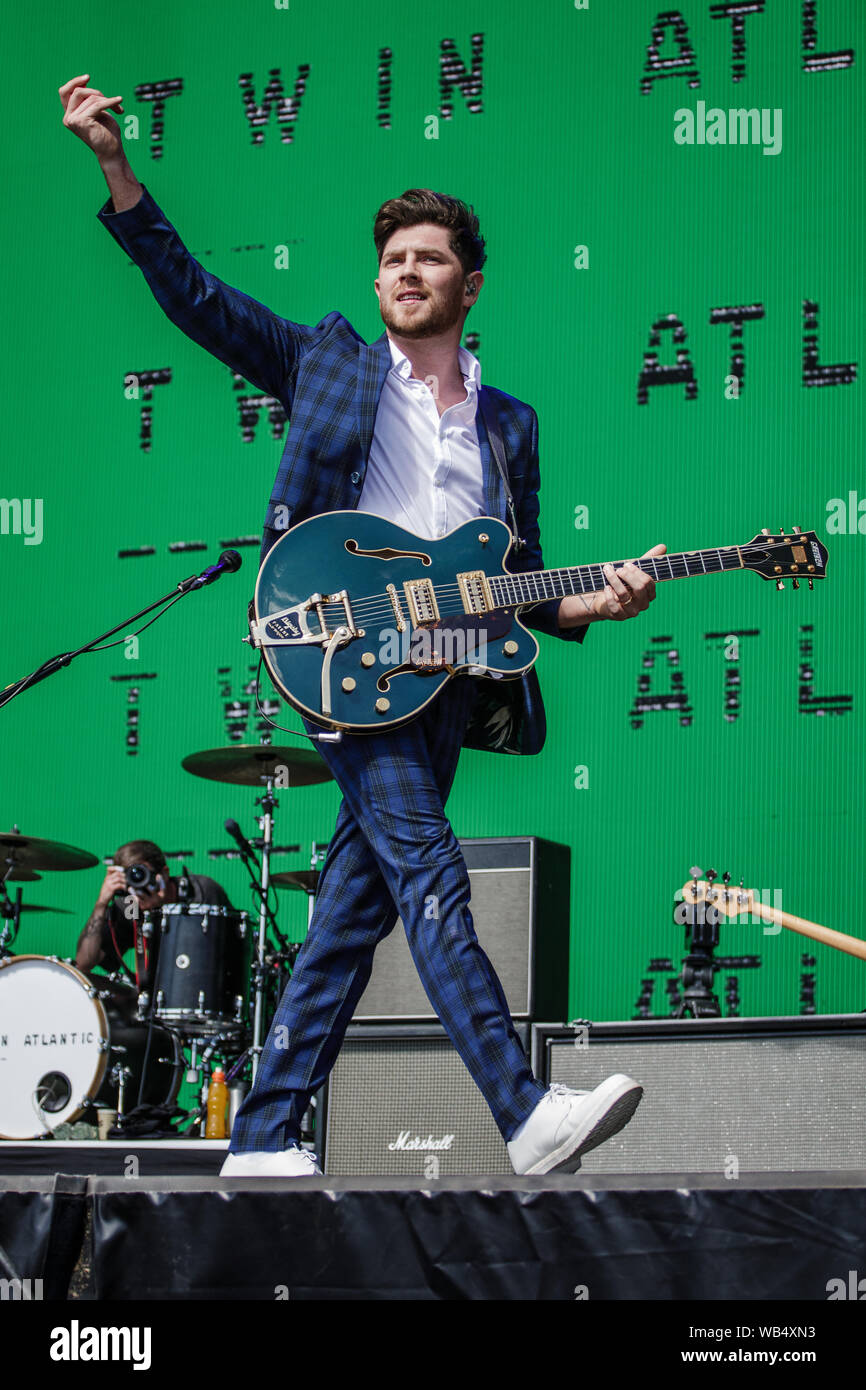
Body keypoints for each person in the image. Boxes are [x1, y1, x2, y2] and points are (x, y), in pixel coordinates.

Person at [61, 74, 665, 1178]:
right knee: (431, 872)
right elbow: (196, 298)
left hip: (442, 683)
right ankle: (522, 1108)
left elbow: (517, 579)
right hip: (345, 660)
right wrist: (116, 170)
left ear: (468, 286)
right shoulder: (327, 364)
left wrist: (599, 599)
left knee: (347, 921)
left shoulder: (508, 426)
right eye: (391, 258)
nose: (403, 270)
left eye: (427, 258)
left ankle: (260, 1132)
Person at [75, 838, 231, 987]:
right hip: (152, 1001)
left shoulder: (199, 893)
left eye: (143, 874)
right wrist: (101, 903)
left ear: (164, 873)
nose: (139, 885)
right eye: (131, 877)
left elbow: (225, 957)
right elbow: (85, 963)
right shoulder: (130, 907)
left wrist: (160, 910)